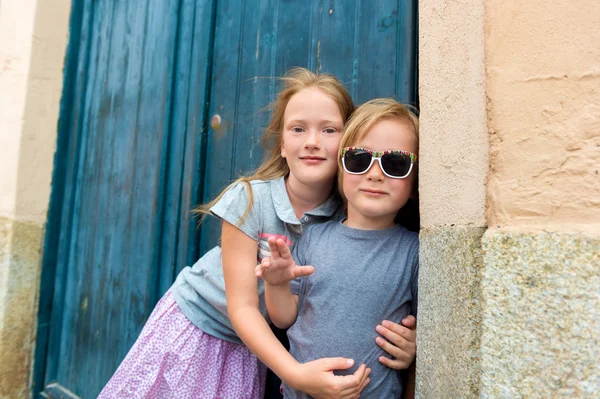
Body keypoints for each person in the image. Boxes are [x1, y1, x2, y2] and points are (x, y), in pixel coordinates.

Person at [98, 70, 416, 399]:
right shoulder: (250, 199)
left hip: (253, 348)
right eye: (297, 129)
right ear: (281, 144)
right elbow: (244, 308)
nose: (311, 141)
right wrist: (296, 374)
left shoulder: (351, 214)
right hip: (199, 326)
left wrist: (409, 343)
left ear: (348, 144)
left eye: (329, 130)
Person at [256, 98, 420, 398]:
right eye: (359, 158)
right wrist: (276, 283)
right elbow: (284, 318)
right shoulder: (313, 237)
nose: (374, 174)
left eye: (395, 163)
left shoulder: (413, 253)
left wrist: (415, 347)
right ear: (341, 167)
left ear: (415, 182)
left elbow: (429, 330)